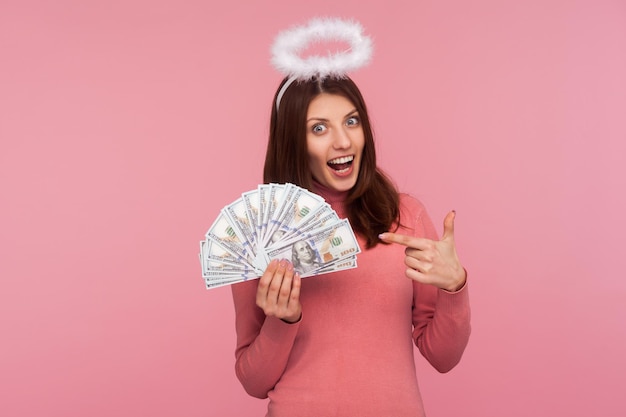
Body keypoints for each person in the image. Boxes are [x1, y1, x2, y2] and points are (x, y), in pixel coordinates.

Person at [230, 18, 470, 417]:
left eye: (352, 121)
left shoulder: (405, 216)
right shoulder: (258, 235)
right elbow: (253, 383)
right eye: (319, 128)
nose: (343, 141)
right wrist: (282, 320)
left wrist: (454, 287)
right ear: (294, 141)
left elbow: (444, 357)